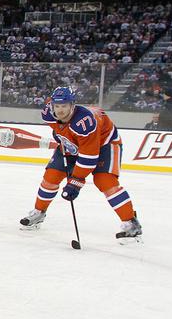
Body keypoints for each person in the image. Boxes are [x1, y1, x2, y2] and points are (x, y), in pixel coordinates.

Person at [19, 86, 142, 243]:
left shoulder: (85, 122)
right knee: (51, 176)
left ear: (72, 105)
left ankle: (131, 223)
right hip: (72, 143)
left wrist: (75, 182)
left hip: (105, 144)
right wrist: (60, 137)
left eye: (64, 106)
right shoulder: (48, 114)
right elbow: (58, 128)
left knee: (105, 181)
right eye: (57, 106)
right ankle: (38, 213)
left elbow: (89, 157)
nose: (60, 110)